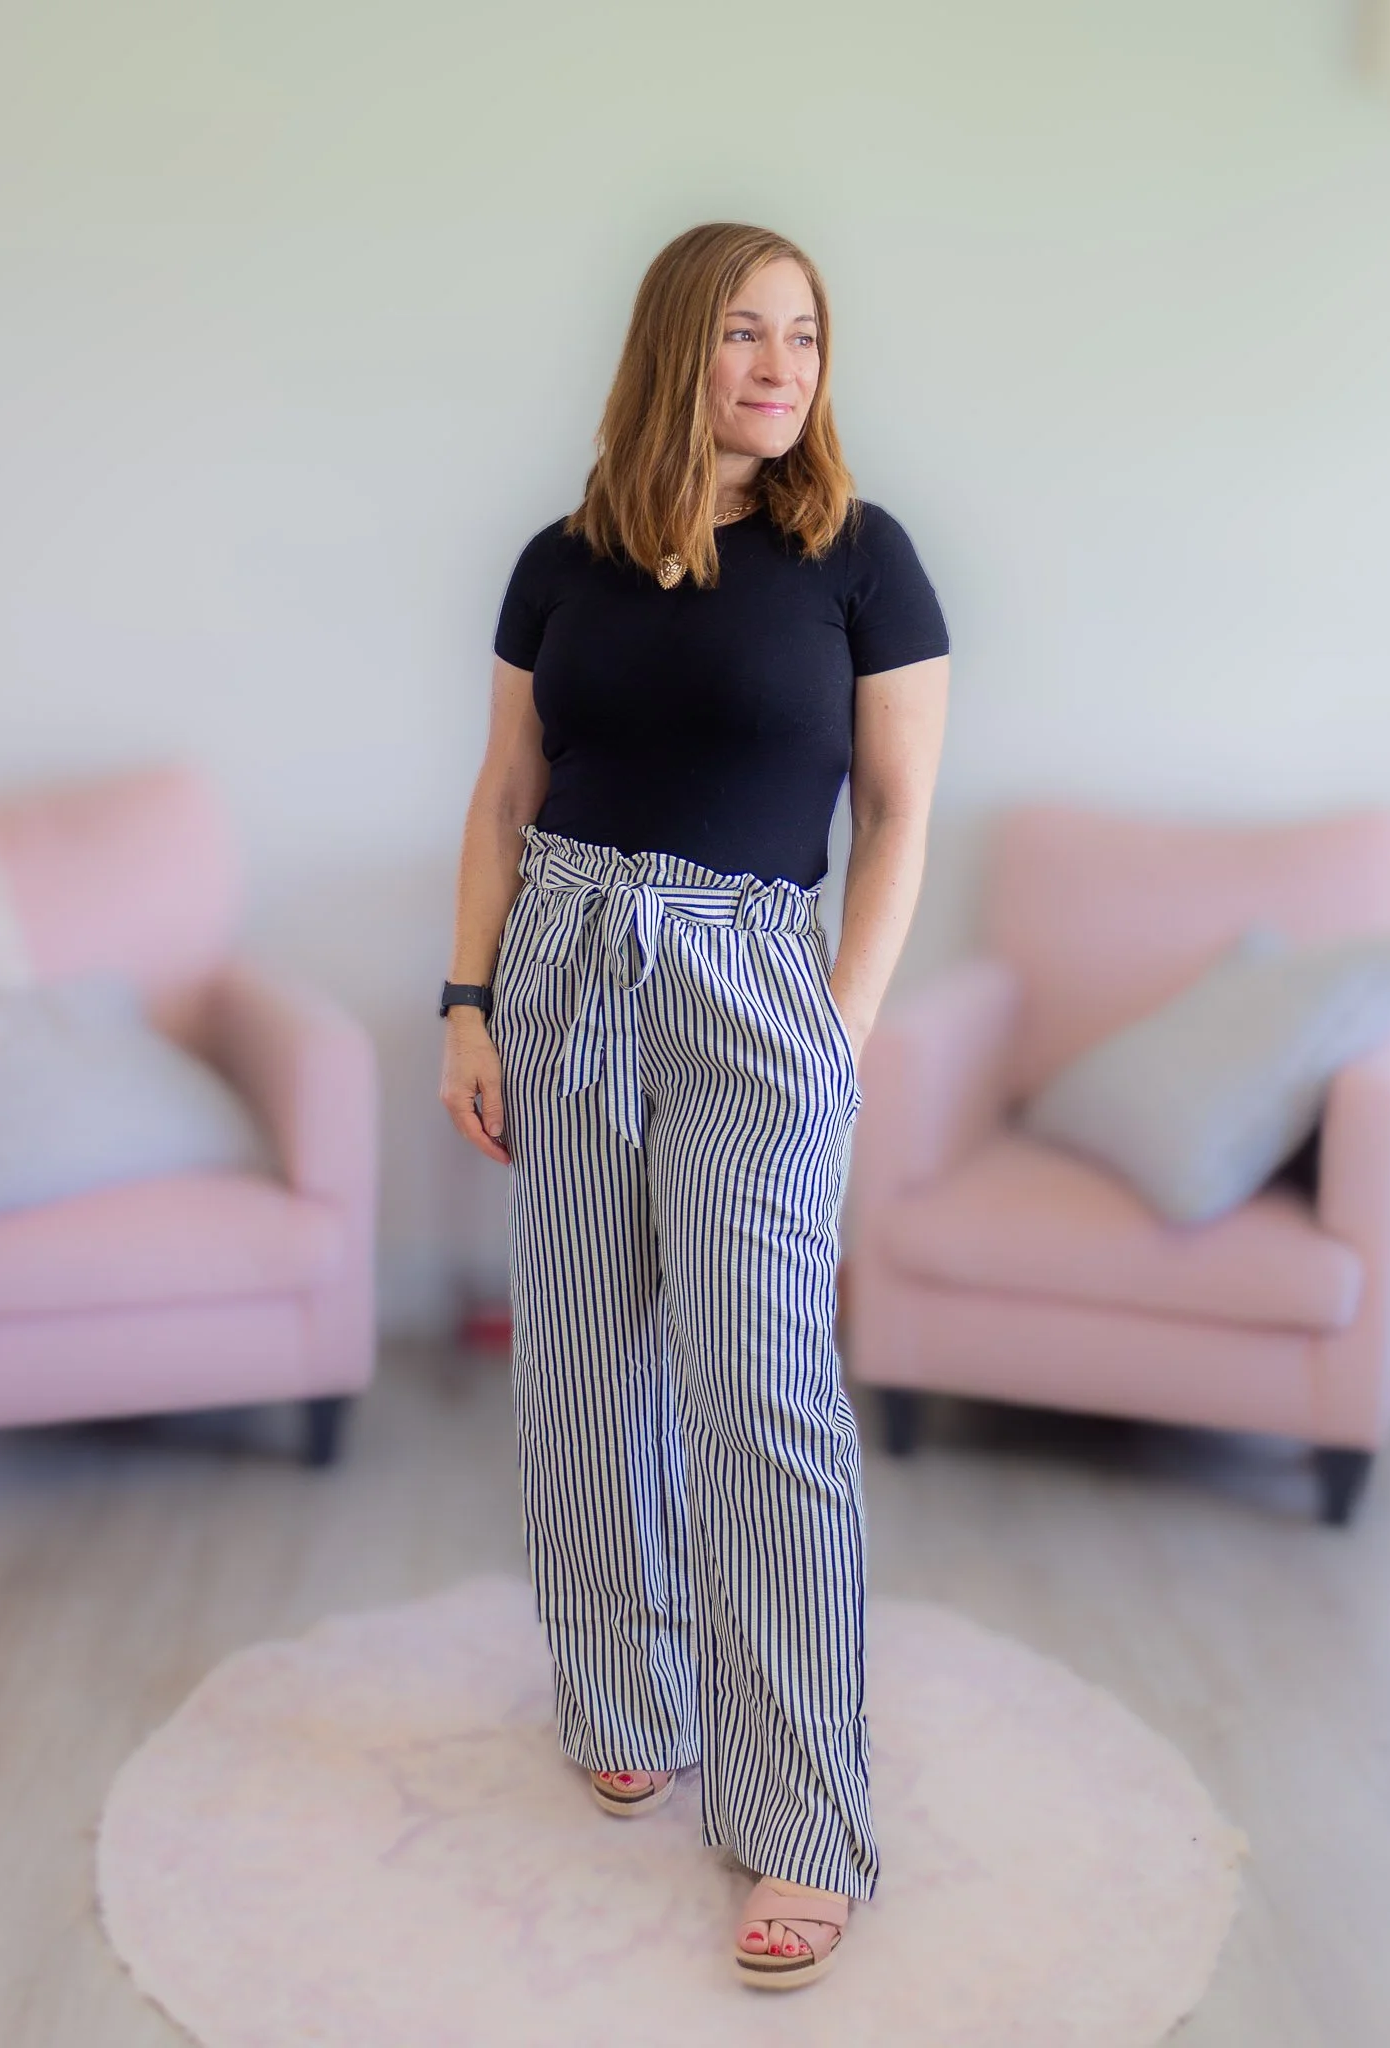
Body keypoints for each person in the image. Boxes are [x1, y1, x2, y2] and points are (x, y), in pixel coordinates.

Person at [438, 220, 949, 1991]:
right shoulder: (557, 562)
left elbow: (897, 817)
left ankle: (804, 1813)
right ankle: (622, 1691)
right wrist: (464, 1005)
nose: (779, 363)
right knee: (582, 1369)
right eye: (743, 330)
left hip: (755, 990)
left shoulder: (862, 562)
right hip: (564, 969)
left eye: (804, 334)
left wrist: (839, 1028)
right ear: (677, 348)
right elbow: (507, 797)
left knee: (765, 1402)